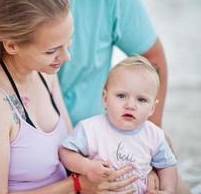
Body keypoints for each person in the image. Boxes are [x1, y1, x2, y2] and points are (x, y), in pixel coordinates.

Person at [0, 0, 191, 193]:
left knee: (173, 185)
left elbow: (68, 146)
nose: (66, 57)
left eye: (68, 43)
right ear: (11, 45)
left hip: (72, 168)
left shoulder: (44, 72)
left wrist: (143, 155)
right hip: (57, 183)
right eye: (52, 50)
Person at [59, 56, 178, 194]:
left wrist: (168, 190)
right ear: (105, 99)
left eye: (141, 99)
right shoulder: (90, 129)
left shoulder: (154, 135)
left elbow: (167, 165)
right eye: (121, 96)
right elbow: (66, 152)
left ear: (152, 108)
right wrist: (87, 166)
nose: (130, 105)